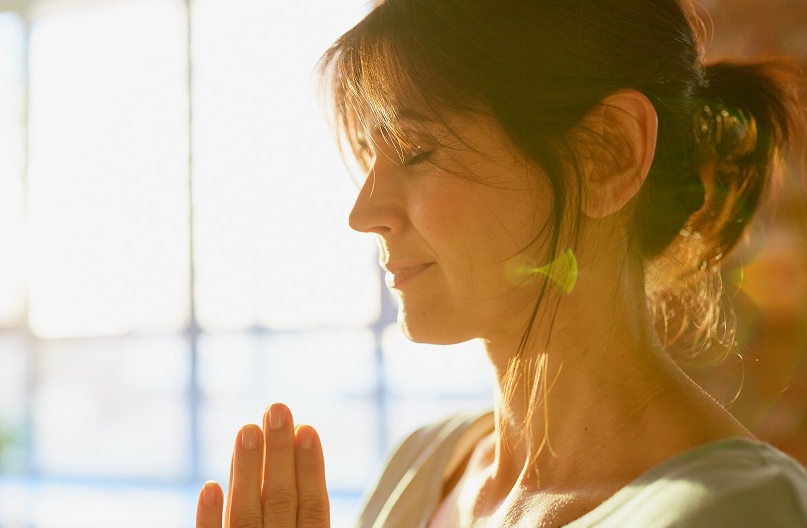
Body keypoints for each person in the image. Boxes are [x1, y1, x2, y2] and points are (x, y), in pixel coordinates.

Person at [195, 0, 807, 526]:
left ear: (609, 154)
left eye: (413, 150)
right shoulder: (425, 465)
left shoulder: (736, 510)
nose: (364, 212)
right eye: (366, 152)